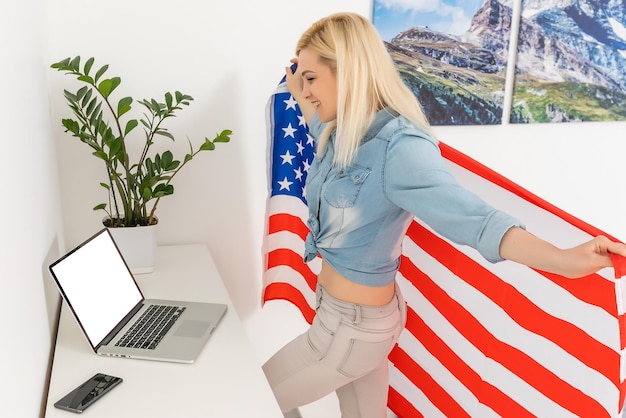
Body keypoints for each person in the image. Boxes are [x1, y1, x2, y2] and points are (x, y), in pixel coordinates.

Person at [262, 12, 626, 418]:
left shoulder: (399, 146)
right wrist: (301, 90)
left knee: (253, 397)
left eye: (311, 77)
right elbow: (317, 127)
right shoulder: (341, 129)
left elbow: (475, 219)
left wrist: (566, 260)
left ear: (349, 71)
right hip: (345, 319)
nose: (306, 89)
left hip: (350, 332)